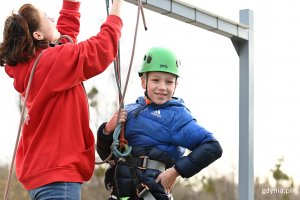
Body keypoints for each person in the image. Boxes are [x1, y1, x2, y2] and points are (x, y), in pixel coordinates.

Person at [0, 0, 124, 199]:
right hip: (57, 174)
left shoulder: (37, 62)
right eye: (46, 18)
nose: (52, 19)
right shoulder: (51, 62)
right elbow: (100, 49)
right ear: (38, 35)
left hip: (43, 171)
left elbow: (64, 40)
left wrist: (71, 4)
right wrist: (117, 10)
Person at [96, 47, 223, 200]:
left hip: (149, 195)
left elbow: (212, 147)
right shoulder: (129, 110)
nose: (162, 87)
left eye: (169, 82)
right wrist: (107, 131)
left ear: (176, 85)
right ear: (144, 81)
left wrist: (175, 171)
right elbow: (108, 157)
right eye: (156, 80)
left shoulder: (175, 115)